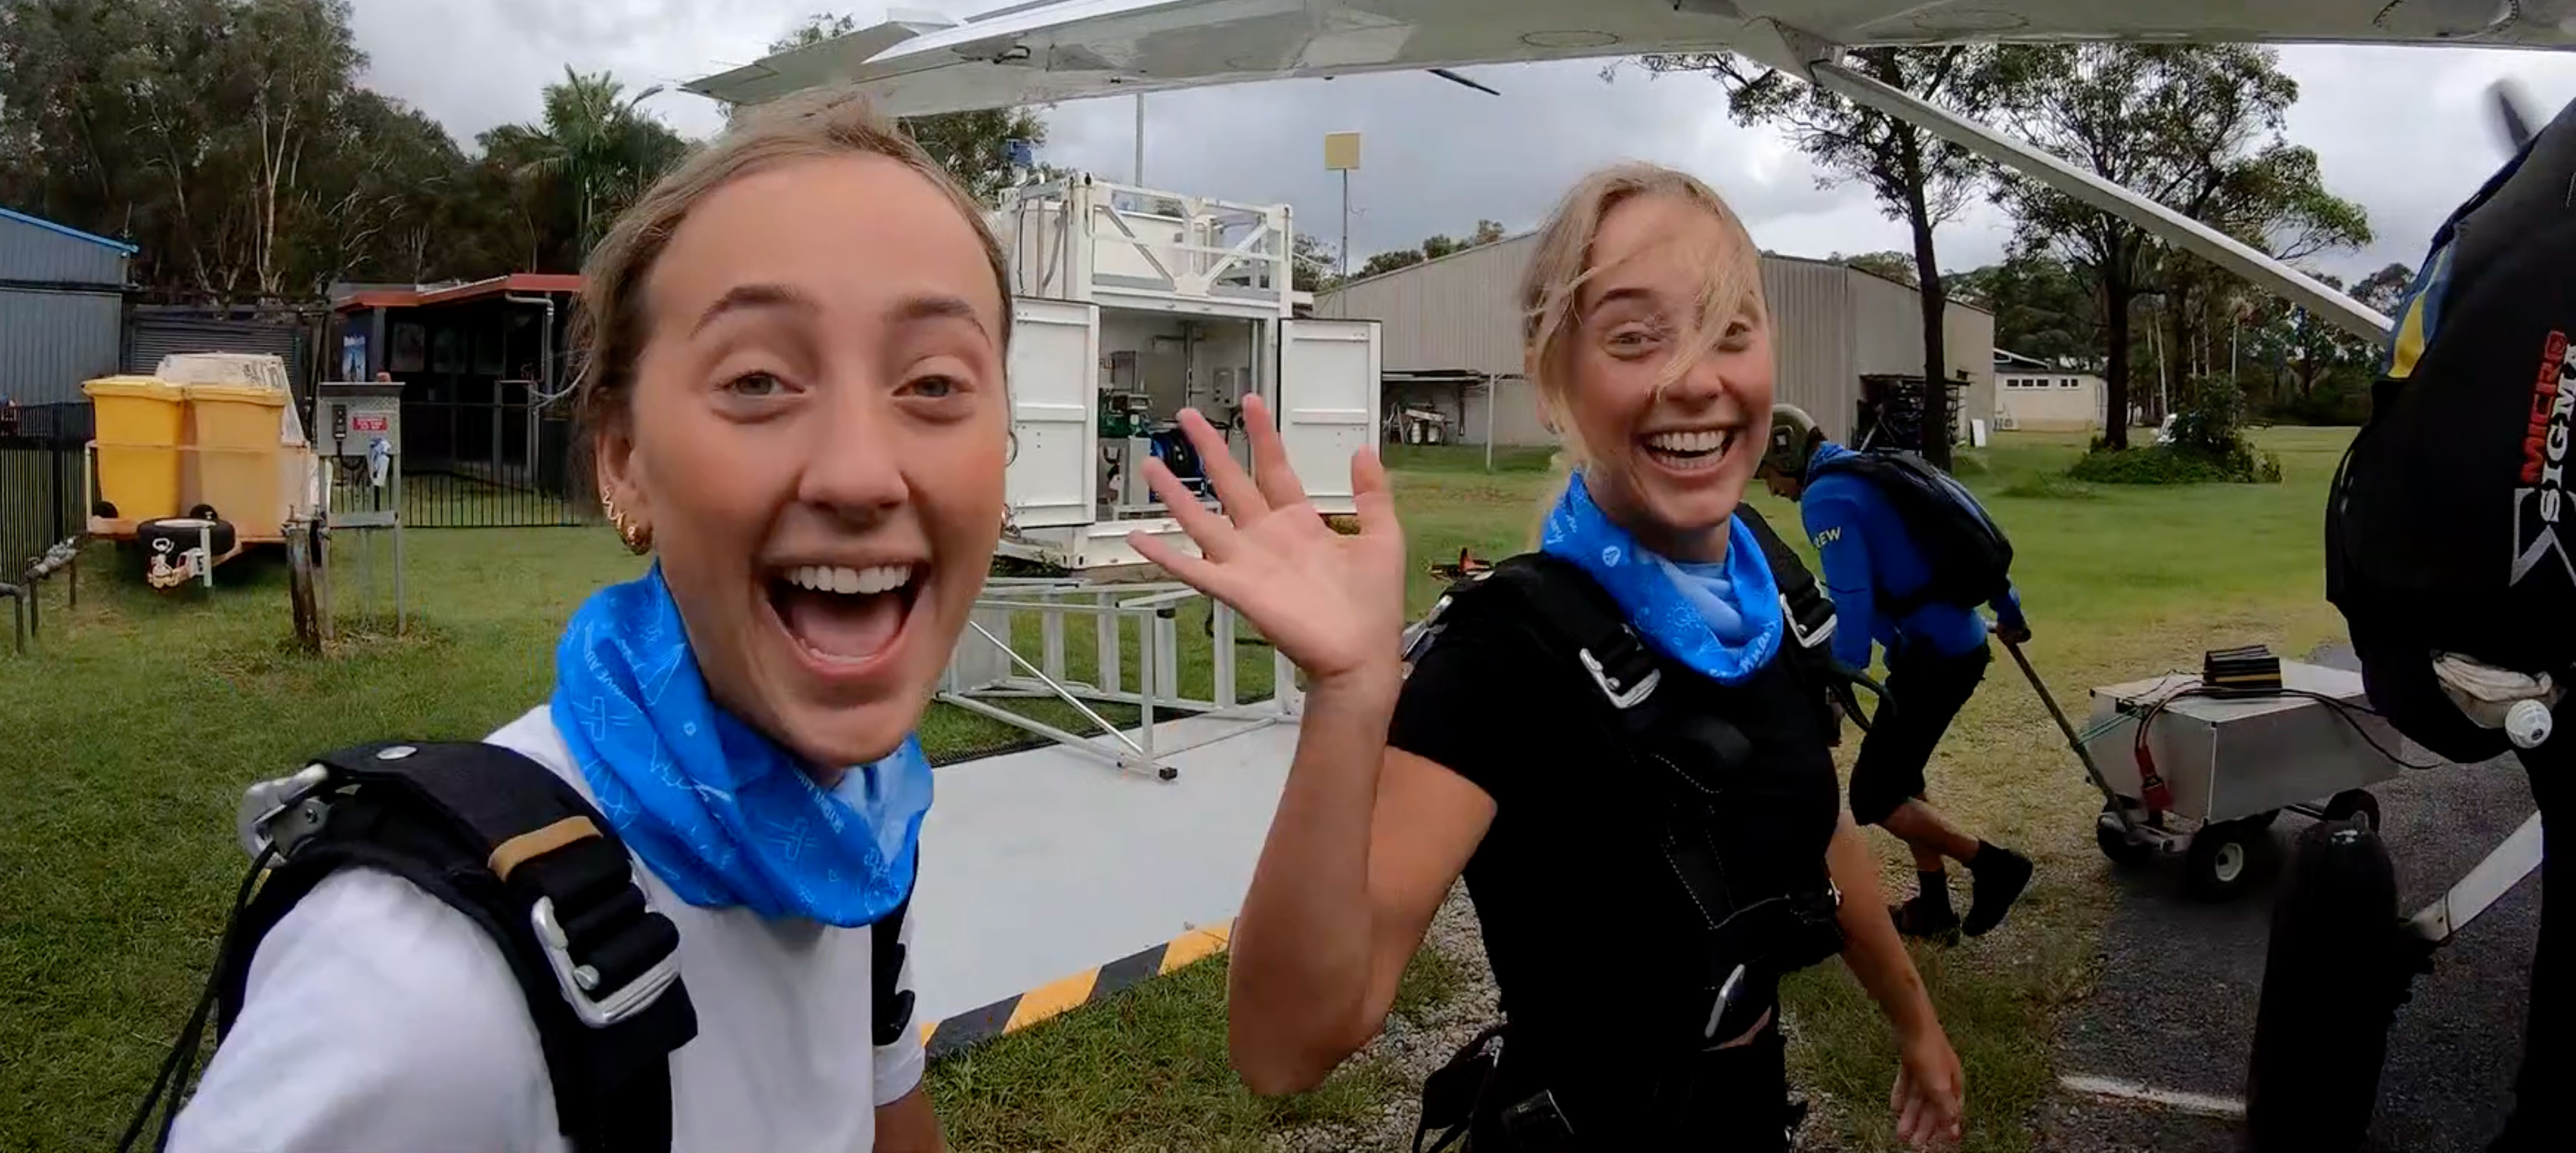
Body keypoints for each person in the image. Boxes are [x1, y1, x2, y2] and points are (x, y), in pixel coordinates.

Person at [167, 91, 998, 1152]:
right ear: (623, 461)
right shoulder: (416, 989)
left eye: (934, 383)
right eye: (757, 379)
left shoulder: (858, 837)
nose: (858, 474)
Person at [1128, 163, 1965, 1151]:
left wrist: (1915, 1022)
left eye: (1729, 330)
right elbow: (1285, 1048)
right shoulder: (1504, 656)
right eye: (1634, 338)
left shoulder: (1767, 582)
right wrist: (1348, 694)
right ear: (1550, 374)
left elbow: (1809, 816)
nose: (1696, 378)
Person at [1755, 408, 2033, 944]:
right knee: (1902, 776)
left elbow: (1852, 603)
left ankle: (1995, 866)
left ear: (1786, 456)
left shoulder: (1826, 498)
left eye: (1767, 473)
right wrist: (2010, 614)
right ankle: (1933, 909)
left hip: (1936, 660)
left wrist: (1836, 686)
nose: (1770, 488)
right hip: (1948, 647)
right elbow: (1968, 535)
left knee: (1873, 796)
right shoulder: (1876, 469)